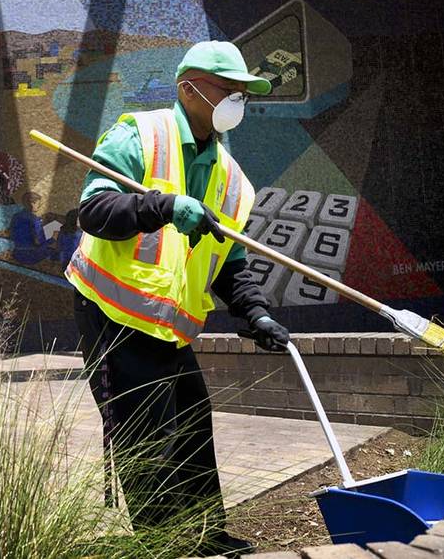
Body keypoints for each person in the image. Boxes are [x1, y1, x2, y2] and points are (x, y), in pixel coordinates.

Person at [65, 40, 291, 557]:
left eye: (243, 92)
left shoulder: (232, 181)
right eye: (227, 89)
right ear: (189, 89)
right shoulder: (139, 136)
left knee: (192, 424)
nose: (237, 99)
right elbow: (94, 212)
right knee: (146, 433)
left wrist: (255, 312)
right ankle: (164, 546)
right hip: (111, 312)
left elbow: (229, 263)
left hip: (166, 324)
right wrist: (162, 207)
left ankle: (208, 536)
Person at [9, 191, 57, 264]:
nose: (39, 206)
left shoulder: (15, 216)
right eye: (38, 203)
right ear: (32, 203)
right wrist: (53, 238)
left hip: (16, 253)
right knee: (54, 252)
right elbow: (41, 242)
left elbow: (13, 235)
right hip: (30, 256)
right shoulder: (35, 220)